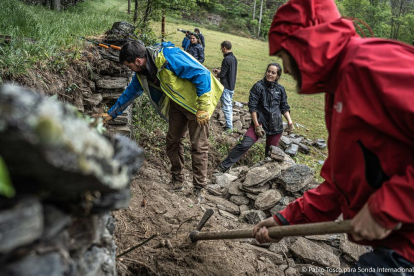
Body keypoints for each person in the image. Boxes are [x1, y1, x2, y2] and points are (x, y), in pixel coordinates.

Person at [253, 0, 414, 274]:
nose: (286, 70)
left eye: (284, 57)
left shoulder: (371, 65)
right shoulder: (339, 89)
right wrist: (283, 221)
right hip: (395, 249)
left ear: (306, 44)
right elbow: (338, 187)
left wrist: (388, 207)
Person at [100, 41, 223, 192]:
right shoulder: (142, 73)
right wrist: (111, 114)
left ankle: (199, 188)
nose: (128, 68)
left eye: (128, 65)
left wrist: (203, 107)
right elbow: (130, 93)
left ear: (138, 61)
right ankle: (177, 180)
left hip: (197, 104)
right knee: (173, 141)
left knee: (198, 145)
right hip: (177, 104)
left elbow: (202, 74)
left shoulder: (168, 57)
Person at [215, 63, 294, 173]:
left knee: (270, 154)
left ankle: (264, 177)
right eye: (268, 71)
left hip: (276, 125)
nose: (270, 74)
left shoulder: (280, 89)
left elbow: (284, 106)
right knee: (245, 144)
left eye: (273, 72)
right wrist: (256, 125)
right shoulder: (258, 86)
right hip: (260, 123)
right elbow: (253, 107)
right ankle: (222, 167)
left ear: (277, 76)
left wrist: (290, 122)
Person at [213, 40, 238, 131]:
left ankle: (229, 127)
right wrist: (219, 71)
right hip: (231, 85)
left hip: (226, 86)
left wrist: (215, 76)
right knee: (229, 106)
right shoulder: (233, 58)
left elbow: (222, 74)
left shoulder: (226, 59)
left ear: (224, 47)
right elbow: (228, 72)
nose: (221, 50)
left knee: (226, 107)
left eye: (221, 48)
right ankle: (229, 125)